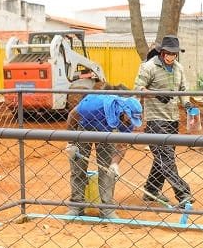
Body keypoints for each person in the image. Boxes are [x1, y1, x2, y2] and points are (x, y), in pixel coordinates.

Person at [134, 35, 196, 207]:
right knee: (166, 159)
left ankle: (151, 190)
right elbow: (138, 88)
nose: (171, 56)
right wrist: (156, 94)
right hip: (155, 120)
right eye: (168, 53)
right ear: (162, 52)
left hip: (172, 119)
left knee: (162, 158)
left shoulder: (179, 68)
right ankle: (183, 194)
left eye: (174, 54)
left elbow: (183, 89)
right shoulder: (149, 67)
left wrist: (187, 104)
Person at [65, 86, 142, 219]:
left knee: (107, 170)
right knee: (78, 166)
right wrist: (71, 143)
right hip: (85, 126)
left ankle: (107, 209)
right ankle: (76, 206)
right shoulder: (93, 106)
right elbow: (72, 116)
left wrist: (115, 164)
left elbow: (122, 145)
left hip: (107, 132)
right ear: (123, 111)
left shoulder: (127, 120)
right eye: (129, 119)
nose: (130, 122)